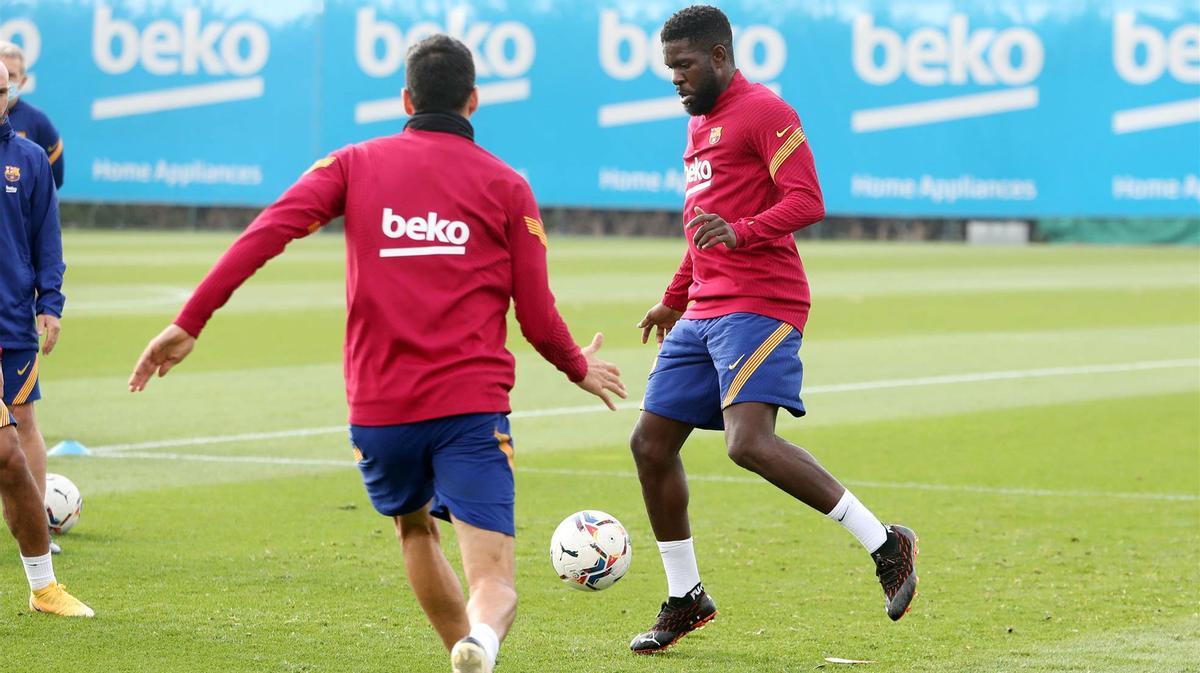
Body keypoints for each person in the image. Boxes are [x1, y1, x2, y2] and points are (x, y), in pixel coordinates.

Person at [129, 35, 626, 673]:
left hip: (379, 411)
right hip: (468, 410)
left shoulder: (353, 163)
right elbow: (534, 315)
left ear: (404, 98)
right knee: (495, 583)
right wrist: (576, 364)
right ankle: (483, 642)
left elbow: (267, 232)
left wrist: (191, 319)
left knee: (414, 527)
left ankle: (462, 655)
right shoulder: (507, 186)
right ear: (474, 101)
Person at [627, 6, 918, 654]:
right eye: (669, 68)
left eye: (685, 65)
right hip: (704, 308)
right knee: (649, 443)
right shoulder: (697, 125)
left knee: (748, 443)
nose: (675, 78)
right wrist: (673, 297)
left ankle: (886, 541)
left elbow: (808, 199)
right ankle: (685, 596)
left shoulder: (764, 111)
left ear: (720, 58)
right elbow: (702, 222)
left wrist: (744, 232)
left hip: (763, 301)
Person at [0, 64, 92, 618]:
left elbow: (45, 238)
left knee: (15, 441)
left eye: (1, 88)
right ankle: (42, 585)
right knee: (6, 449)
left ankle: (42, 584)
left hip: (12, 325)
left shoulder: (28, 158)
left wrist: (49, 303)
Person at [0, 42, 64, 190]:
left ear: (23, 81)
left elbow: (54, 179)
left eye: (12, 76)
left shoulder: (38, 121)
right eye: (3, 72)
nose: (5, 81)